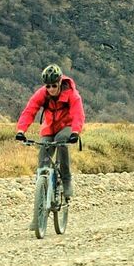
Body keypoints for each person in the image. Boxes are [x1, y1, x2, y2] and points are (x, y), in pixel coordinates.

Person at [15, 64, 85, 215]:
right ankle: (40, 201)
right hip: (49, 127)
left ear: (60, 82)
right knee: (43, 157)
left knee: (61, 142)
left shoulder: (72, 95)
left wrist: (75, 132)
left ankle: (66, 180)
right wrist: (21, 130)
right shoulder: (42, 94)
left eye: (54, 85)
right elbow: (30, 110)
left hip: (66, 127)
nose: (51, 89)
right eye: (48, 86)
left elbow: (78, 114)